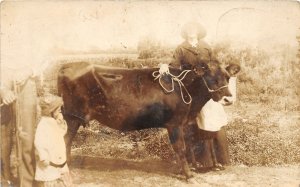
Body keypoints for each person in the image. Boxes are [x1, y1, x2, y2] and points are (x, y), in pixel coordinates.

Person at [161, 21, 231, 169]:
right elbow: (174, 65)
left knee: (214, 120)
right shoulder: (181, 48)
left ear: (199, 31)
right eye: (188, 29)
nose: (192, 31)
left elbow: (215, 65)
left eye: (194, 29)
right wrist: (165, 66)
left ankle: (220, 160)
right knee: (195, 122)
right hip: (191, 88)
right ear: (185, 32)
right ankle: (200, 162)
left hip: (208, 87)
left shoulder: (206, 47)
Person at [1, 66, 40, 187]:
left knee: (26, 137)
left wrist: (29, 71)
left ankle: (27, 182)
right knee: (3, 138)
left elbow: (43, 57)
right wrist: (3, 90)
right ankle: (4, 179)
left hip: (26, 82)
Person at [34, 95, 73, 187]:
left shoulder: (54, 121)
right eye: (58, 109)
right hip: (49, 161)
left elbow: (62, 132)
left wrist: (62, 122)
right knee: (51, 178)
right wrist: (43, 156)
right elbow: (39, 142)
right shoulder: (43, 125)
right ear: (50, 111)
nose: (61, 111)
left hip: (59, 159)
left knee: (62, 178)